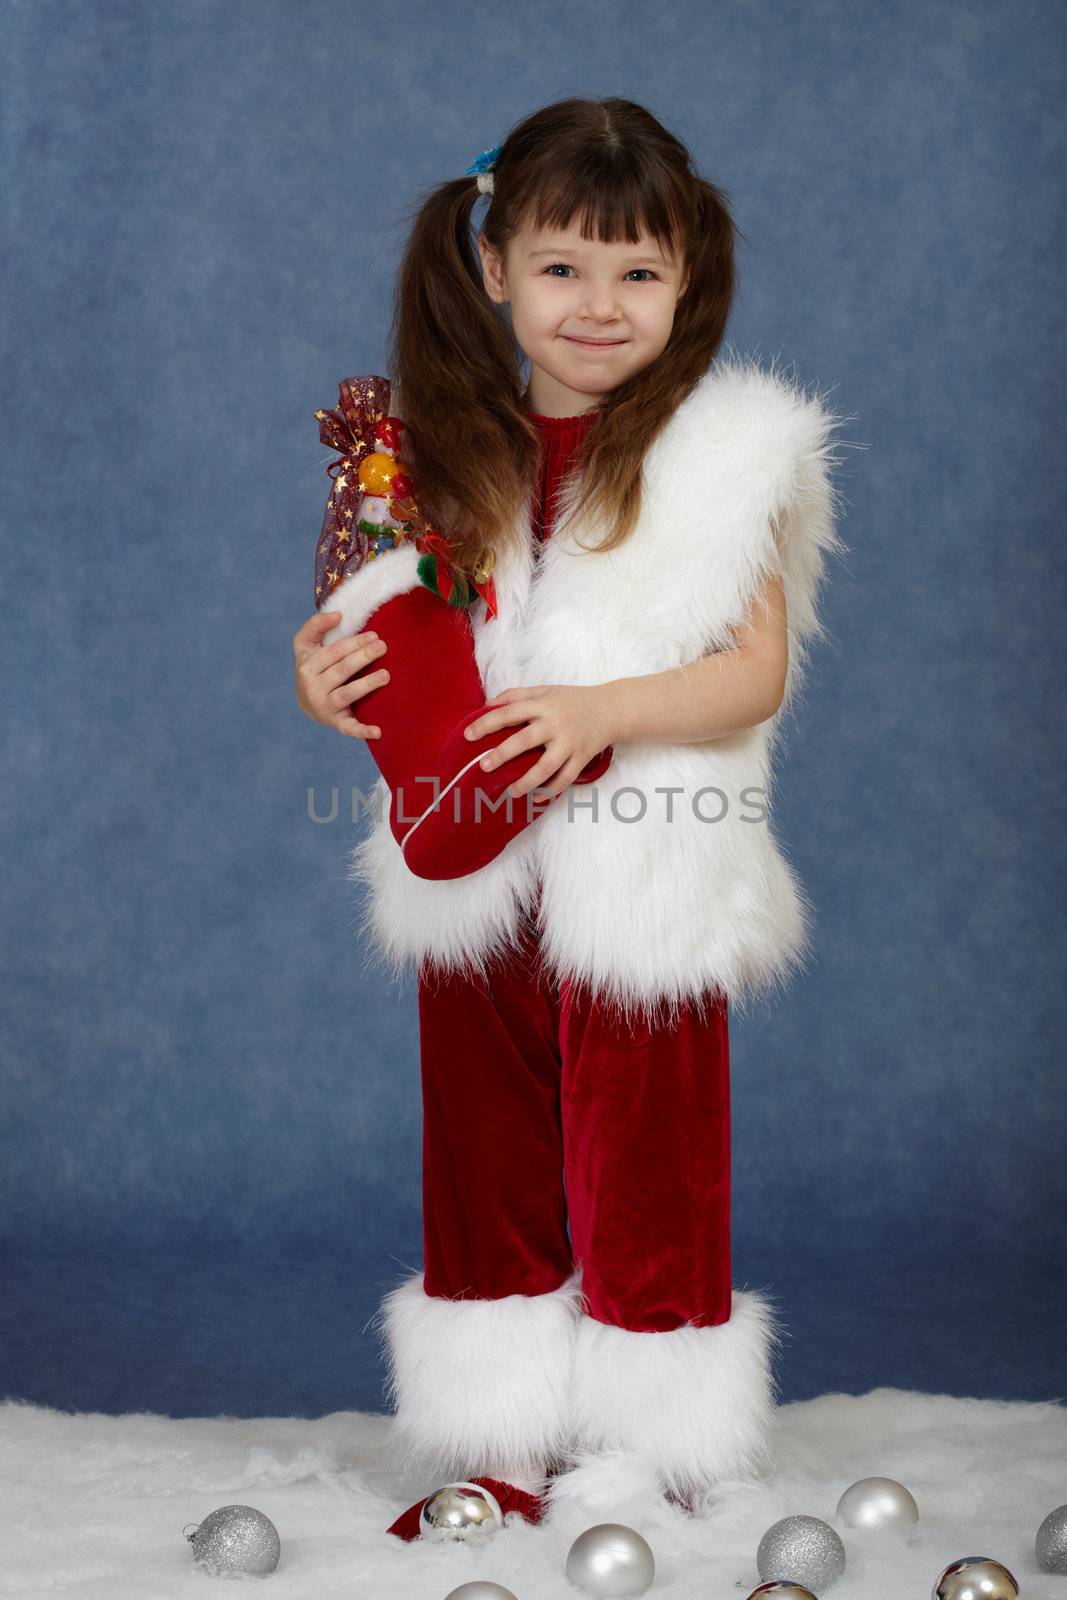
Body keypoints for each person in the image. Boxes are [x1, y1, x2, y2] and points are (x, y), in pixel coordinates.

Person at [291, 95, 848, 1538]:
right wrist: (323, 681)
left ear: (690, 279)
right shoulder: (425, 460)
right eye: (561, 267)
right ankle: (503, 1438)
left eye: (639, 272)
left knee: (650, 1148)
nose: (599, 305)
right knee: (484, 1148)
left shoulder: (724, 454)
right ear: (491, 268)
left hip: (642, 860)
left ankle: (646, 1443)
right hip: (475, 862)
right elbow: (390, 652)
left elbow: (754, 670)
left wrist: (603, 716)